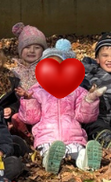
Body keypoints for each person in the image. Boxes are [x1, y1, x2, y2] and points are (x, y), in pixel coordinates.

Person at [18, 45, 104, 173]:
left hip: (73, 136)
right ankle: (49, 161)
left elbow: (84, 117)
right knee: (48, 150)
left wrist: (90, 99)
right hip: (47, 136)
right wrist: (28, 100)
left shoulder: (76, 91)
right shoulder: (36, 91)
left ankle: (86, 161)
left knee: (78, 152)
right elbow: (31, 119)